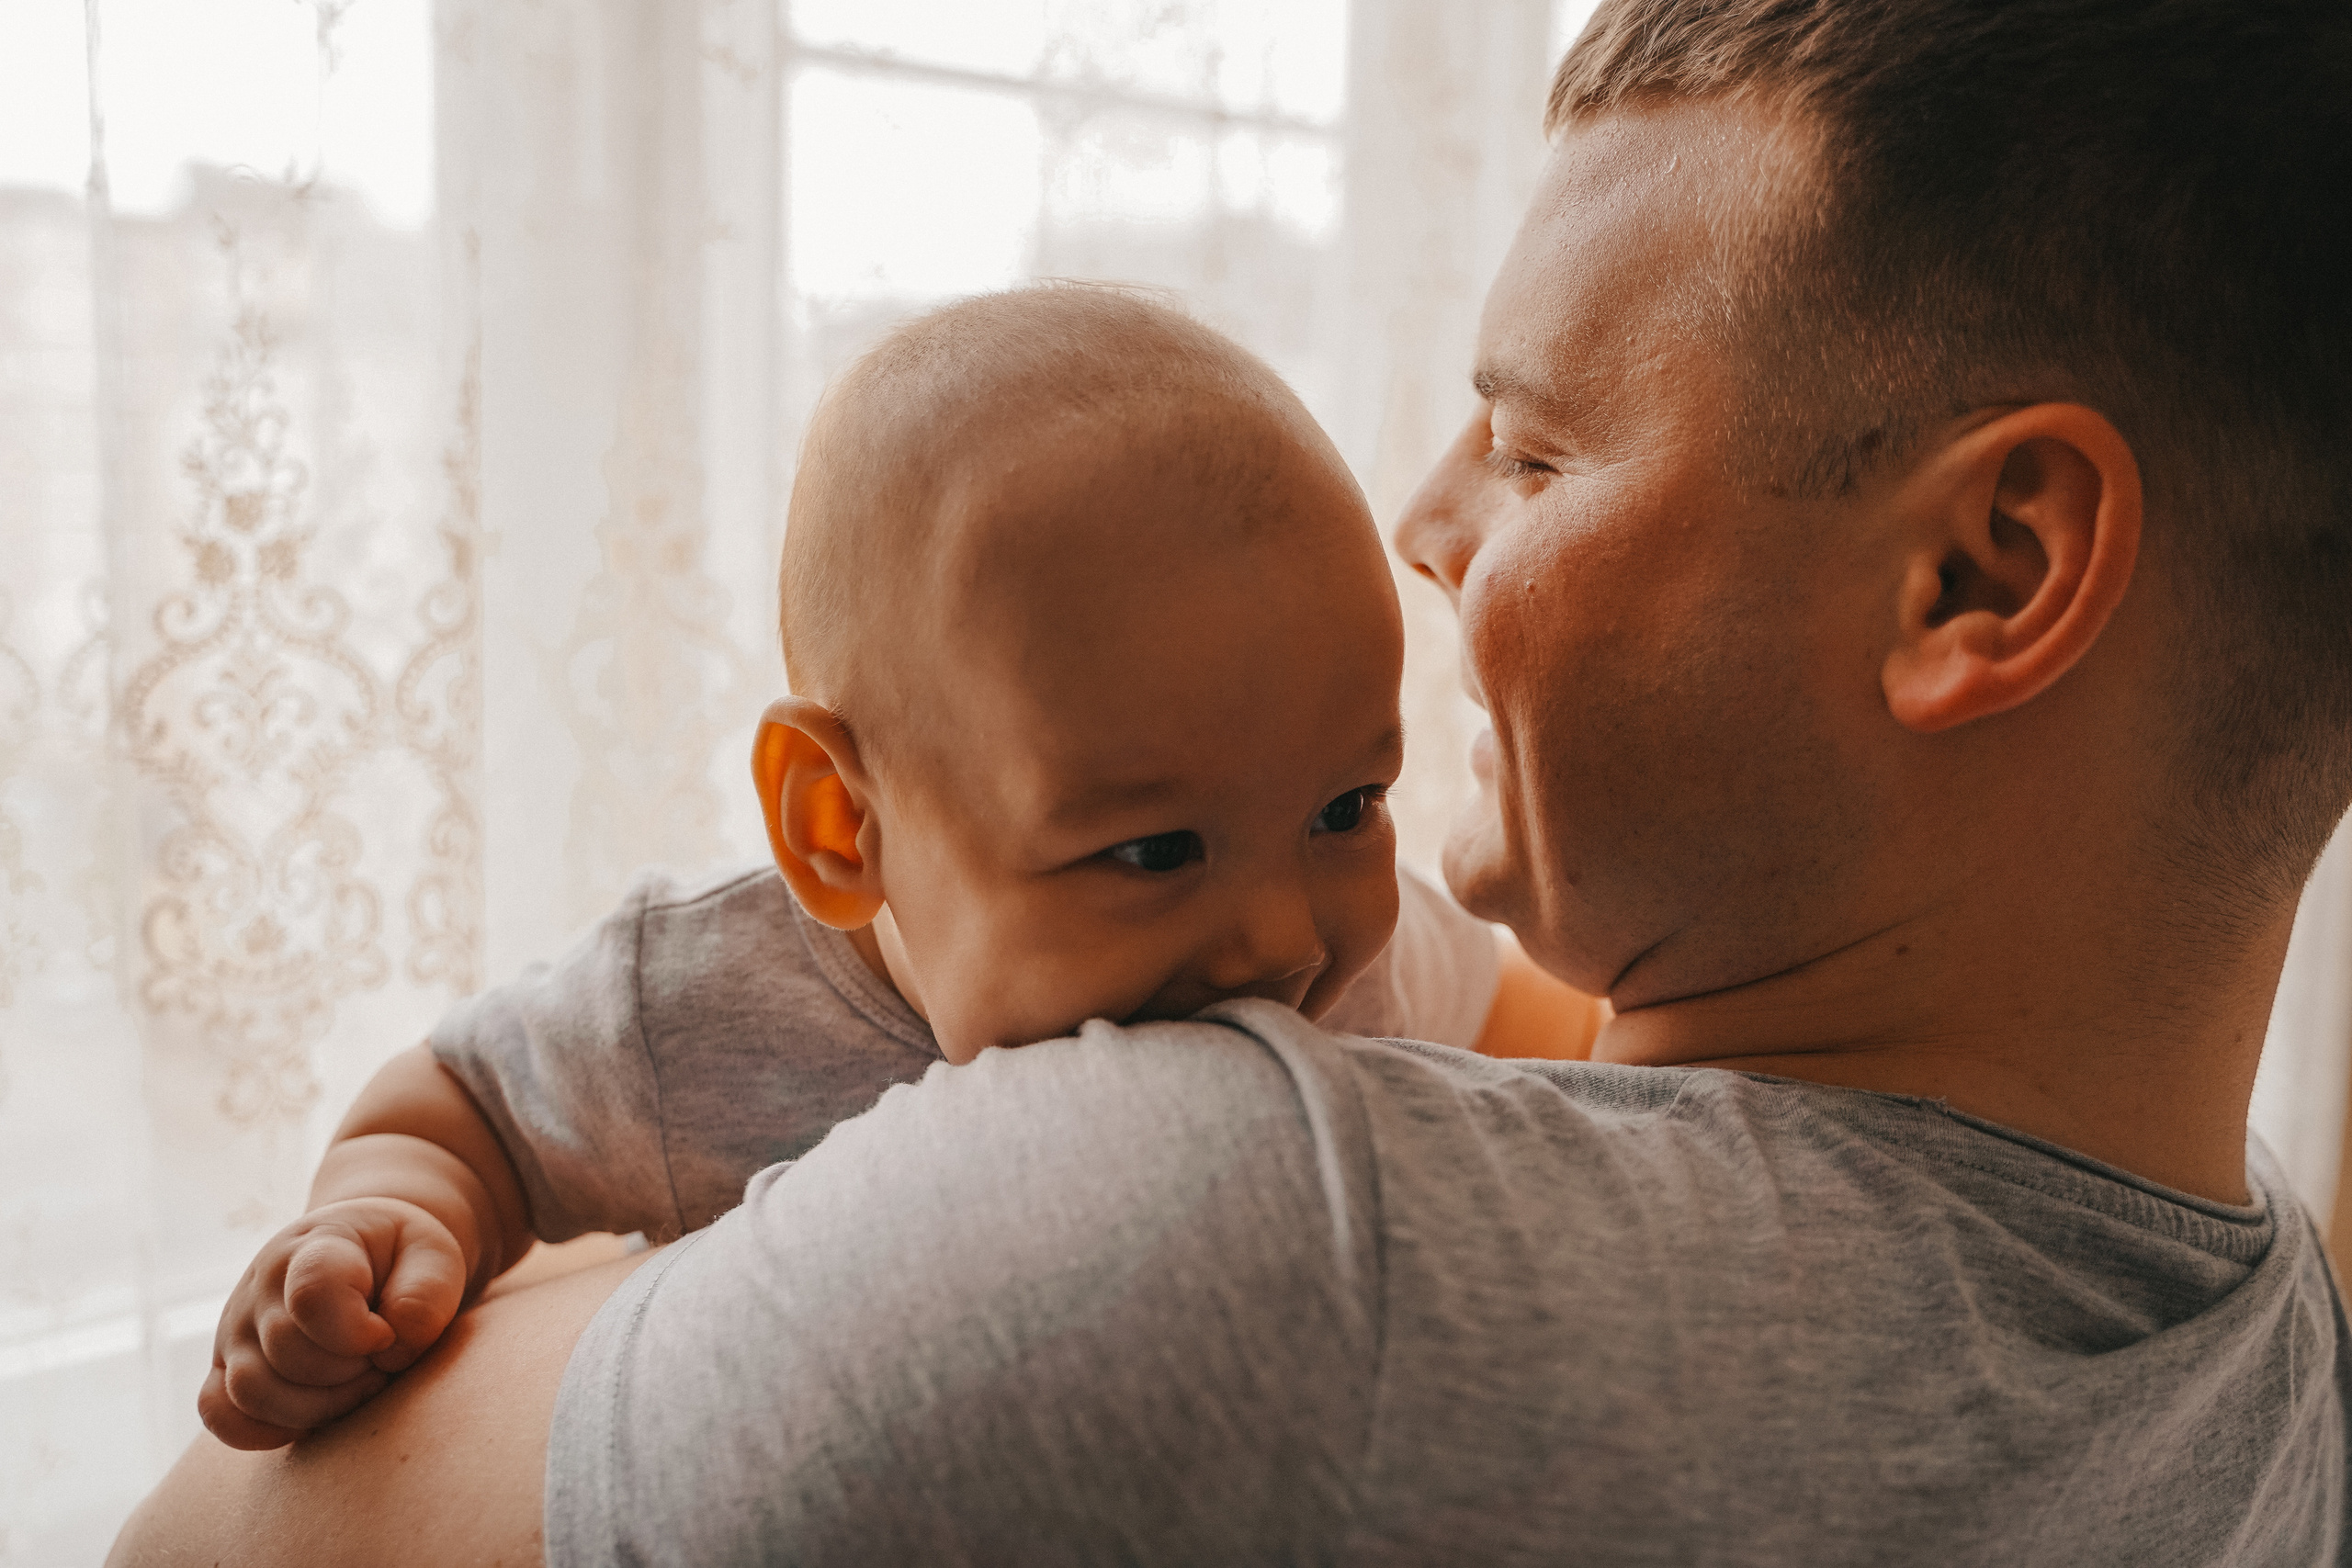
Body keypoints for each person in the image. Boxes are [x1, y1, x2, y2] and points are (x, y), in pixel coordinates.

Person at [112, 0, 2352, 1562]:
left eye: (1542, 439)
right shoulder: (2270, 1333)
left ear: (1983, 566)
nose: (1425, 510)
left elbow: (210, 1537)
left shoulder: (1253, 1232)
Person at [195, 288, 1600, 1451]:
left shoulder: (1348, 946)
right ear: (838, 829)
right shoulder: (690, 1010)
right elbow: (464, 1112)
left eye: (1350, 805)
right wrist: (385, 1222)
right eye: (1154, 850)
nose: (1285, 935)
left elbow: (1528, 1023)